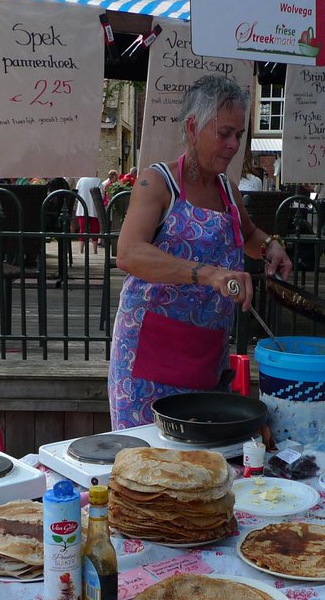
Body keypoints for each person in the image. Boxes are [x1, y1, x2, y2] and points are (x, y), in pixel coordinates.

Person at [108, 75, 291, 429]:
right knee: (147, 456)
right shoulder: (157, 182)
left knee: (202, 455)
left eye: (239, 135)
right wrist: (209, 274)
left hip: (206, 356)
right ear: (192, 128)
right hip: (150, 358)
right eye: (224, 133)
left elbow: (248, 234)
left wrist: (270, 246)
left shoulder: (228, 191)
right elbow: (129, 254)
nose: (233, 145)